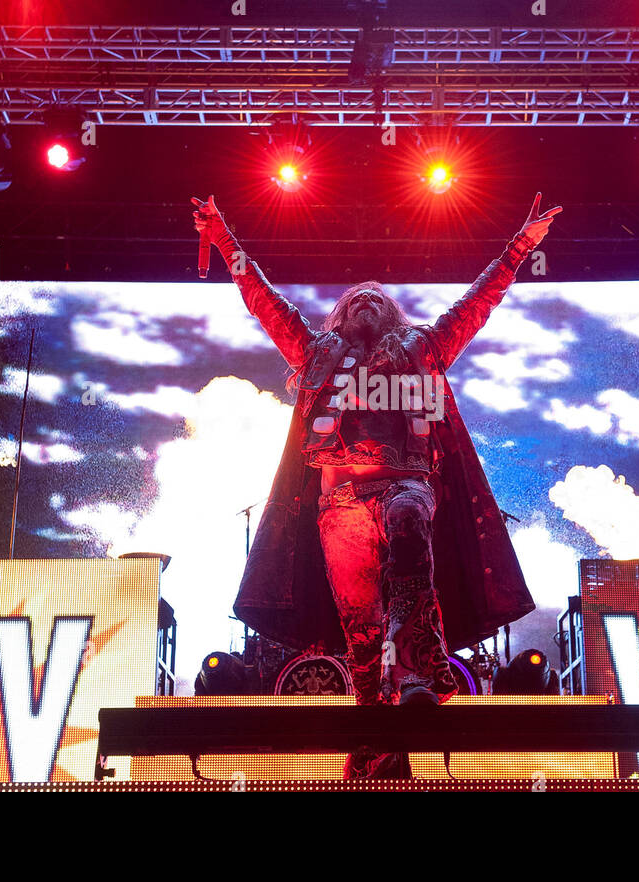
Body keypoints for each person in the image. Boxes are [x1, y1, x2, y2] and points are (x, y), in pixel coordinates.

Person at [192, 193, 561, 778]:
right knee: (361, 630)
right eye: (354, 298)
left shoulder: (423, 346)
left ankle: (415, 671)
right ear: (339, 316)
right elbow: (263, 302)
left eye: (375, 297)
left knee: (409, 528)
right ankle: (376, 741)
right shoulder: (316, 350)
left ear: (389, 313)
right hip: (338, 498)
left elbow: (478, 302)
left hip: (406, 484)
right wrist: (222, 238)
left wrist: (520, 246)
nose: (364, 300)